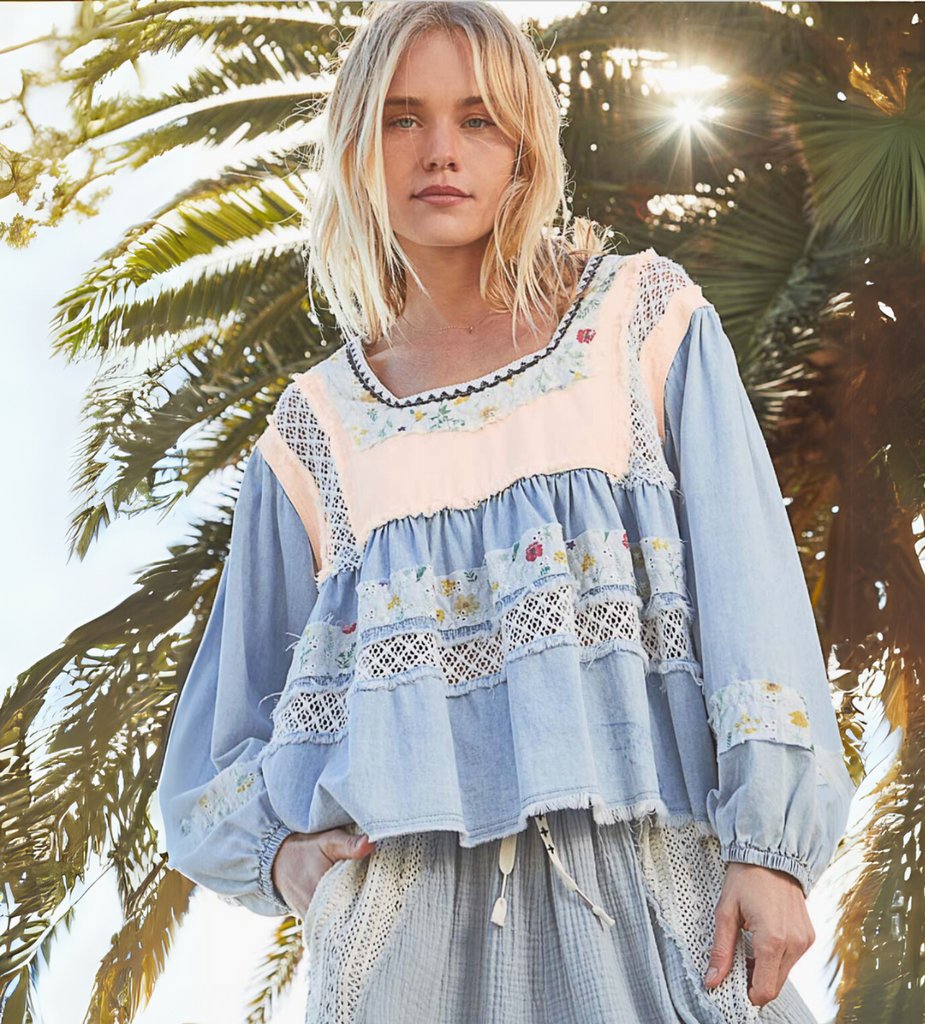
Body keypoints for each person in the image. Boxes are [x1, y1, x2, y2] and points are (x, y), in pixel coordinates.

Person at [156, 2, 857, 1022]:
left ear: (526, 143)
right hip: (405, 955)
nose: (440, 151)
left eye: (478, 119)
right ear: (354, 144)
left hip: (661, 899)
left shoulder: (640, 323)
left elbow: (751, 581)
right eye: (401, 118)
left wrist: (772, 848)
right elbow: (220, 746)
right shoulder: (315, 432)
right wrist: (288, 860)